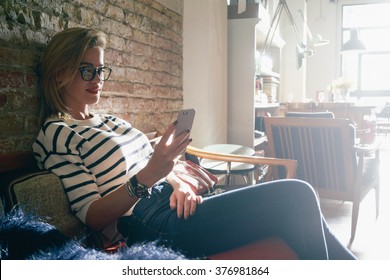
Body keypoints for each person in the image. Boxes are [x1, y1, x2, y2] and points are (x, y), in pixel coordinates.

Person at [33, 27, 356, 260]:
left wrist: (177, 182)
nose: (98, 80)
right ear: (60, 74)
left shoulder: (111, 121)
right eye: (87, 70)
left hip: (172, 200)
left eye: (101, 70)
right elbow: (92, 216)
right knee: (296, 194)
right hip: (148, 221)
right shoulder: (57, 134)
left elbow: (155, 164)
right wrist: (149, 177)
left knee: (297, 207)